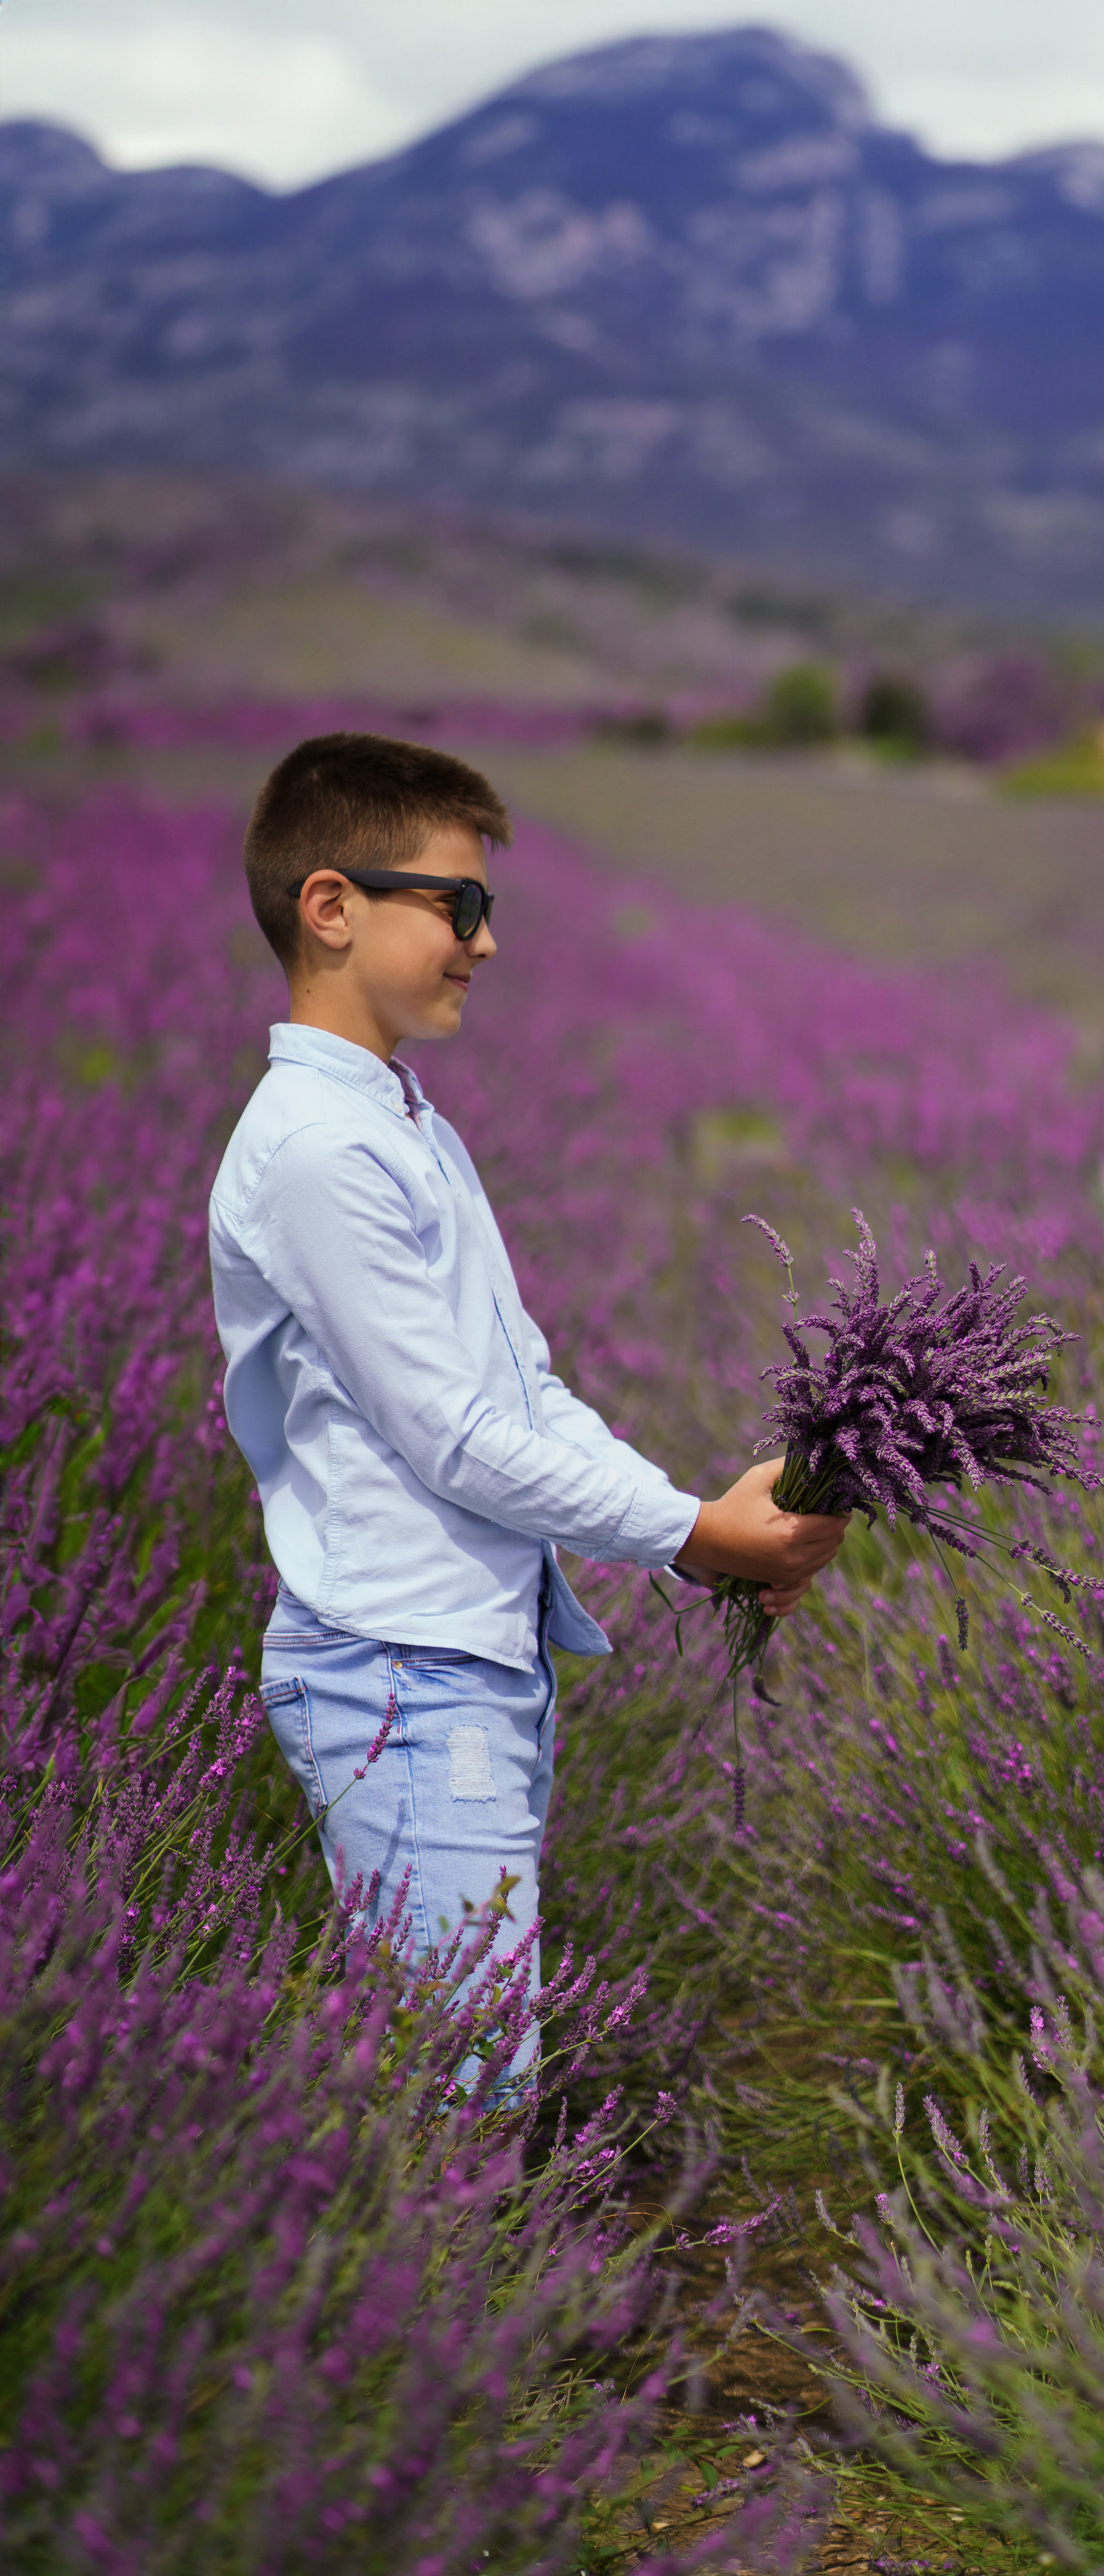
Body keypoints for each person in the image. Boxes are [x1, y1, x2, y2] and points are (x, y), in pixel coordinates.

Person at [209, 732, 846, 2066]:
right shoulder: (323, 1150)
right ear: (331, 907)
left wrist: (698, 1536)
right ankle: (436, 2275)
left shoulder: (402, 1122)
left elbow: (524, 1388)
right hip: (400, 1673)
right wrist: (687, 1533)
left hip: (462, 1665)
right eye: (458, 903)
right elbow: (455, 1439)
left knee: (465, 2066)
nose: (484, 943)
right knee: (461, 2090)